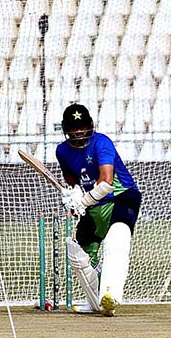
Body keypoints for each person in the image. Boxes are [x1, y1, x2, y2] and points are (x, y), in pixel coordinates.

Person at [57, 103, 141, 317]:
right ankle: (96, 301)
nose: (79, 132)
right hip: (95, 205)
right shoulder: (63, 151)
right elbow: (72, 180)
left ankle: (111, 294)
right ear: (66, 130)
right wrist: (72, 195)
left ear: (90, 126)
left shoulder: (101, 143)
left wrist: (82, 202)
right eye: (74, 128)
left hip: (122, 196)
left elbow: (106, 183)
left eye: (83, 126)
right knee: (80, 254)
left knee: (117, 238)